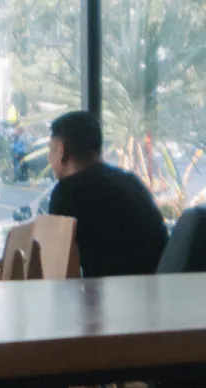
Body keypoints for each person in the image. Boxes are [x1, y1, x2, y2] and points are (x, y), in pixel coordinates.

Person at [47, 110, 168, 278]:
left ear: (61, 150)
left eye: (50, 149)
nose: (49, 159)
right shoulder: (131, 183)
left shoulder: (67, 192)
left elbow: (55, 265)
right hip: (153, 292)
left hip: (106, 298)